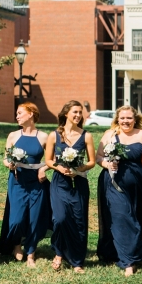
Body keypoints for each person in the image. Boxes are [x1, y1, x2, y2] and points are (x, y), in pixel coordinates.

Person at [96, 105, 142, 276]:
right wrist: (106, 163)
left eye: (129, 118)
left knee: (136, 217)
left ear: (135, 119)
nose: (125, 121)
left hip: (138, 185)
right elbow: (98, 156)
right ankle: (128, 262)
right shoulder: (110, 135)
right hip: (113, 182)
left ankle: (130, 251)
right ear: (117, 119)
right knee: (121, 216)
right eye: (122, 118)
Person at [44, 100, 96, 273]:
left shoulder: (86, 136)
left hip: (79, 182)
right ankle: (59, 252)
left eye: (80, 112)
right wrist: (58, 166)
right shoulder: (54, 135)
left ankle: (77, 261)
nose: (78, 115)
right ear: (66, 113)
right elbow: (48, 160)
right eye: (75, 112)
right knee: (60, 218)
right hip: (59, 182)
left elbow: (92, 161)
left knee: (79, 221)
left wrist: (79, 169)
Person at [0, 102, 50, 267]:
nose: (17, 116)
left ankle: (30, 253)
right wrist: (9, 164)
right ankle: (16, 245)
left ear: (31, 114)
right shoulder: (13, 135)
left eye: (20, 113)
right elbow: (6, 158)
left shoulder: (43, 137)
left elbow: (52, 159)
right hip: (17, 181)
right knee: (16, 220)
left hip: (37, 182)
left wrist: (44, 168)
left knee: (34, 219)